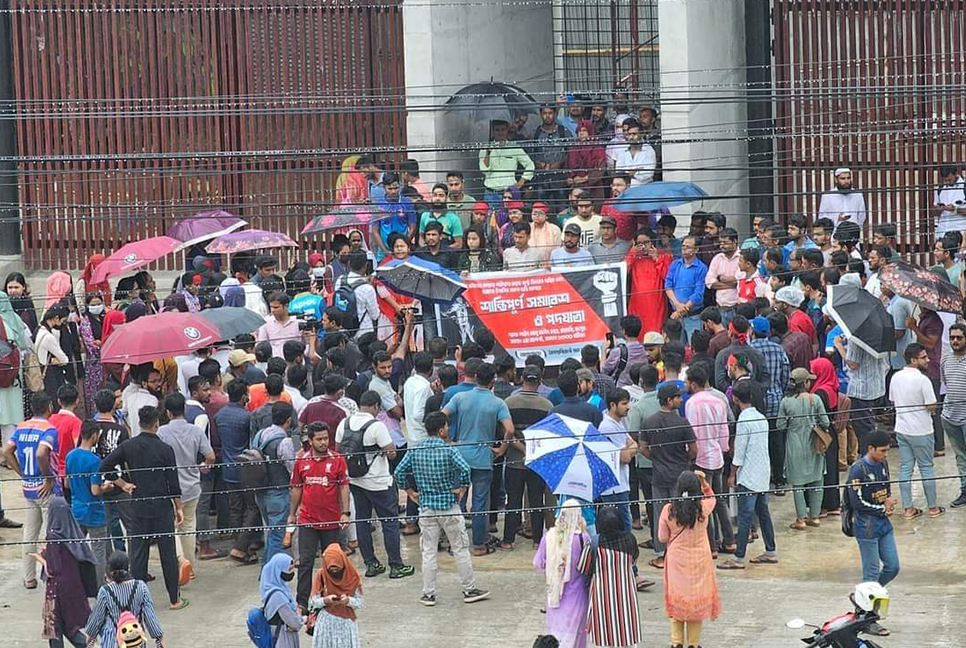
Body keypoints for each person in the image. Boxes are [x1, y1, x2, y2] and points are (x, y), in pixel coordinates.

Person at [394, 410, 490, 606]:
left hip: (426, 508)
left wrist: (411, 492)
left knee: (428, 551)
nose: (448, 429)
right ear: (440, 431)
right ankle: (469, 589)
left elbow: (398, 472)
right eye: (446, 426)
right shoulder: (449, 450)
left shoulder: (415, 450)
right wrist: (462, 488)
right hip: (448, 506)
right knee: (460, 548)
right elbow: (465, 469)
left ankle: (428, 594)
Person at [98, 405, 188, 609]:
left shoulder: (129, 446)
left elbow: (105, 466)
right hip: (162, 507)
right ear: (157, 424)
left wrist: (122, 484)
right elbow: (173, 483)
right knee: (167, 553)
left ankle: (136, 601)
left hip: (138, 506)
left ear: (139, 423)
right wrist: (179, 507)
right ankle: (175, 599)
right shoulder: (165, 449)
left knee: (138, 555)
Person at [335, 391, 414, 579]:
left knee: (362, 521)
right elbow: (392, 453)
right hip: (378, 482)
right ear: (377, 406)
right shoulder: (377, 426)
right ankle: (396, 565)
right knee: (390, 523)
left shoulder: (344, 423)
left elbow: (338, 450)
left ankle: (371, 564)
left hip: (354, 480)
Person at [443, 362, 513, 555]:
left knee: (457, 500)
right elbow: (510, 429)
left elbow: (441, 416)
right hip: (483, 456)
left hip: (461, 455)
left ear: (474, 376)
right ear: (492, 382)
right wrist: (502, 448)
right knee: (480, 503)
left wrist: (448, 440)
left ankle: (455, 544)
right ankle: (479, 546)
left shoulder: (460, 397)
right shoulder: (498, 403)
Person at [289, 421, 351, 610]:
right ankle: (302, 602)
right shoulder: (302, 462)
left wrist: (345, 513)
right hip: (308, 521)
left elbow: (344, 486)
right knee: (306, 562)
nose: (324, 442)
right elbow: (296, 489)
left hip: (331, 522)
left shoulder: (337, 459)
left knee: (332, 563)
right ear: (310, 440)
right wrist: (292, 515)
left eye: (326, 438)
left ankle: (331, 598)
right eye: (319, 439)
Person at [718, 380, 778, 570]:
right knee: (763, 513)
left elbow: (740, 453)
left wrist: (732, 474)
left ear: (735, 399)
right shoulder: (761, 418)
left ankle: (738, 557)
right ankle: (770, 551)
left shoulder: (744, 420)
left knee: (744, 517)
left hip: (748, 475)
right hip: (762, 473)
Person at [3, 392, 60, 589]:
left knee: (30, 534)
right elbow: (42, 453)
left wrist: (21, 473)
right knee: (49, 534)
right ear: (50, 407)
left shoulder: (22, 427)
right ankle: (50, 574)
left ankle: (29, 577)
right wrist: (49, 478)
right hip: (44, 488)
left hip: (28, 487)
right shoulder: (49, 429)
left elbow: (6, 451)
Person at [658, 471, 722, 648]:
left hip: (677, 561)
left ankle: (676, 642)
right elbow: (713, 498)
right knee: (695, 602)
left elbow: (662, 537)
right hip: (700, 560)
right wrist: (705, 483)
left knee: (677, 600)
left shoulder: (668, 510)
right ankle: (693, 644)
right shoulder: (703, 508)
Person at [846, 430, 899, 637]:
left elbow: (886, 488)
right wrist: (881, 509)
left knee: (893, 566)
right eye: (883, 451)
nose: (887, 454)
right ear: (871, 449)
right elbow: (856, 502)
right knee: (870, 574)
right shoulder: (857, 470)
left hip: (884, 525)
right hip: (866, 528)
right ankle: (868, 619)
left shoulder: (883, 464)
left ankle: (861, 597)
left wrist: (887, 502)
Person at [639, 383, 696, 568]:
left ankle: (661, 554)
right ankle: (679, 551)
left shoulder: (649, 422)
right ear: (669, 400)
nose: (680, 399)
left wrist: (655, 458)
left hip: (659, 475)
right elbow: (693, 449)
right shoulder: (682, 422)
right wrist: (685, 461)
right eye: (678, 397)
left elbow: (643, 447)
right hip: (679, 476)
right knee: (680, 514)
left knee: (660, 515)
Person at [158, 393, 215, 574]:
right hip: (192, 486)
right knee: (189, 525)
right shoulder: (195, 431)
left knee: (172, 525)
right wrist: (204, 467)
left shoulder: (162, 432)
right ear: (184, 409)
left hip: (170, 488)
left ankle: (181, 561)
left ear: (168, 412)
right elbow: (211, 456)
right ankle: (190, 567)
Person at [684, 365, 735, 555]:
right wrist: (723, 450)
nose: (685, 385)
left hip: (701, 459)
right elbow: (724, 430)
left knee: (704, 503)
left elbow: (693, 433)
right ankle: (729, 540)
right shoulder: (718, 401)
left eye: (687, 381)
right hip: (717, 457)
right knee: (719, 500)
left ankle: (712, 545)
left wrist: (691, 455)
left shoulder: (692, 404)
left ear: (694, 384)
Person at [889, 343, 943, 518]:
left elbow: (892, 400)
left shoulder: (895, 377)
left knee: (905, 468)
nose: (927, 360)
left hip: (902, 429)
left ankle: (908, 509)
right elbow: (931, 406)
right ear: (913, 360)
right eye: (923, 357)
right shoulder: (922, 380)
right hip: (922, 430)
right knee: (926, 468)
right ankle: (933, 508)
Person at [214, 378, 261, 565]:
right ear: (244, 397)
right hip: (245, 468)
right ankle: (241, 546)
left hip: (228, 468)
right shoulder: (246, 417)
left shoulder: (219, 415)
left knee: (235, 508)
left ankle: (239, 543)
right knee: (252, 508)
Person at [778, 367, 831, 530]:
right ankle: (814, 517)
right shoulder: (815, 399)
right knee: (817, 480)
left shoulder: (786, 401)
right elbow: (826, 422)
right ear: (805, 382)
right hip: (814, 443)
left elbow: (780, 425)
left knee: (798, 484)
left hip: (794, 444)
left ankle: (800, 519)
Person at [533, 500, 590, 648]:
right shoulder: (583, 538)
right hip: (577, 594)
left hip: (554, 594)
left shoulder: (549, 536)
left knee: (555, 632)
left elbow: (539, 563)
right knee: (575, 633)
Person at [84, 551, 166, 648]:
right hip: (135, 642)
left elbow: (97, 618)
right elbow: (150, 617)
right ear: (128, 567)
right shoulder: (141, 587)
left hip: (111, 642)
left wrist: (90, 637)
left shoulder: (105, 591)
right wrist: (159, 638)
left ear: (110, 570)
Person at [585, 507, 641, 648]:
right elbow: (634, 559)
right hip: (626, 594)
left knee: (605, 631)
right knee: (626, 628)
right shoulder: (630, 539)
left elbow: (585, 567)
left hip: (602, 596)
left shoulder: (594, 543)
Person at [64, 420, 111, 583]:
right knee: (99, 553)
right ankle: (100, 588)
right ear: (93, 436)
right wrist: (106, 487)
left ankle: (76, 584)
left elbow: (67, 484)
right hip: (95, 513)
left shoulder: (70, 455)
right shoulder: (94, 460)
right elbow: (95, 490)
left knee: (77, 549)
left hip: (77, 509)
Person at [306, 544, 363, 648]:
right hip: (325, 625)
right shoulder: (321, 574)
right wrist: (325, 600)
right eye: (331, 569)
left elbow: (359, 602)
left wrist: (348, 601)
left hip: (346, 625)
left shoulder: (352, 576)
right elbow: (312, 602)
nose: (334, 572)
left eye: (337, 569)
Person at [810, 357, 842, 515]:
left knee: (822, 469)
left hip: (821, 434)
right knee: (832, 467)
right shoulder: (832, 387)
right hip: (831, 434)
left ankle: (822, 505)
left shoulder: (819, 392)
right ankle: (833, 504)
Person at [625, 227, 671, 334]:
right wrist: (632, 252)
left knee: (655, 334)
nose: (643, 246)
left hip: (656, 305)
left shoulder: (663, 255)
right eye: (639, 243)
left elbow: (667, 277)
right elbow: (623, 271)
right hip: (637, 305)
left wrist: (657, 259)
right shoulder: (633, 256)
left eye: (646, 242)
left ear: (652, 242)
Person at [479, 119, 534, 207]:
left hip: (509, 193)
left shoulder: (514, 147)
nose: (500, 133)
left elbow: (530, 165)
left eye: (503, 130)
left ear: (507, 130)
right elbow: (484, 170)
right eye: (497, 130)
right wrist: (487, 154)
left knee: (511, 218)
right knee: (491, 220)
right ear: (493, 131)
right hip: (490, 194)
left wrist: (521, 182)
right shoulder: (485, 148)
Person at [665, 236, 708, 343]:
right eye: (683, 246)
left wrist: (680, 311)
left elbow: (698, 294)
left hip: (693, 317)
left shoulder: (701, 268)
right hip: (676, 315)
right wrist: (677, 305)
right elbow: (668, 285)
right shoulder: (675, 264)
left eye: (688, 247)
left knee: (694, 347)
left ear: (696, 249)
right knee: (677, 348)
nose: (684, 249)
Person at [942, 323, 966, 508]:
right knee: (960, 456)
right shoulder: (945, 360)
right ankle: (964, 490)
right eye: (952, 338)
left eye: (959, 337)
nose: (955, 341)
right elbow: (947, 384)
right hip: (950, 416)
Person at [259, 554, 303, 648]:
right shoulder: (278, 596)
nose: (292, 572)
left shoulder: (274, 589)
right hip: (283, 640)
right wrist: (299, 614)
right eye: (289, 569)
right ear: (278, 571)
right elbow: (295, 623)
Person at [705, 227, 740, 325]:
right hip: (720, 309)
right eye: (720, 242)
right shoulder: (717, 258)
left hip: (736, 309)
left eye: (725, 242)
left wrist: (720, 279)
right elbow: (709, 282)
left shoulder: (742, 257)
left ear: (734, 242)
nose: (722, 245)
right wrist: (732, 284)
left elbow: (739, 281)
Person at [614, 117, 656, 186]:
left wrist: (629, 173)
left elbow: (648, 173)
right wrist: (636, 171)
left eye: (634, 134)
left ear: (641, 134)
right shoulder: (622, 150)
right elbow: (619, 173)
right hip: (626, 190)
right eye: (629, 134)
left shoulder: (648, 150)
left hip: (644, 189)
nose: (631, 137)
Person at [932, 163, 966, 238]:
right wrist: (938, 209)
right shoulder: (939, 188)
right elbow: (934, 212)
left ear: (956, 174)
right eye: (945, 180)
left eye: (949, 180)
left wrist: (955, 210)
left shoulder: (964, 187)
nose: (947, 183)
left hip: (960, 231)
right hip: (942, 232)